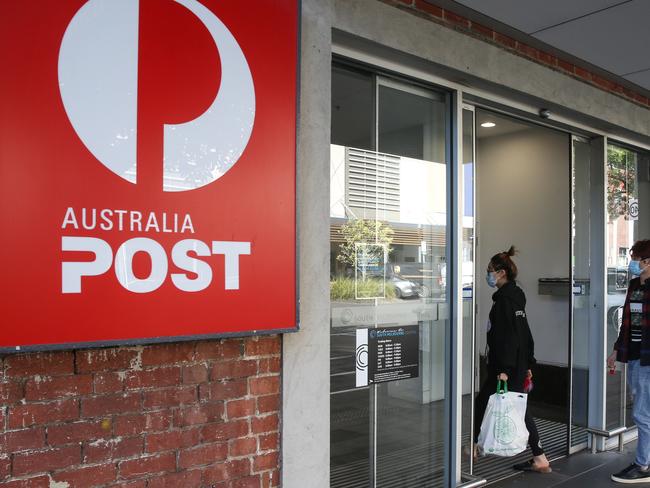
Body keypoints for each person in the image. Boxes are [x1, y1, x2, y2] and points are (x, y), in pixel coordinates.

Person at [473, 246, 551, 473]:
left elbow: (508, 338)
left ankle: (539, 458)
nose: (488, 274)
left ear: (501, 273)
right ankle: (476, 448)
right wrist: (528, 363)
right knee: (492, 404)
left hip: (505, 366)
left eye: (490, 270)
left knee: (516, 410)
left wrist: (506, 369)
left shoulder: (506, 301)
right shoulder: (513, 298)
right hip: (513, 364)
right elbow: (524, 333)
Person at [608, 239, 650, 484]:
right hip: (634, 355)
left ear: (647, 261)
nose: (632, 262)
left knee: (642, 413)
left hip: (648, 358)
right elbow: (626, 323)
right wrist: (616, 351)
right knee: (642, 409)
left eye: (636, 259)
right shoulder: (635, 285)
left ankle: (643, 465)